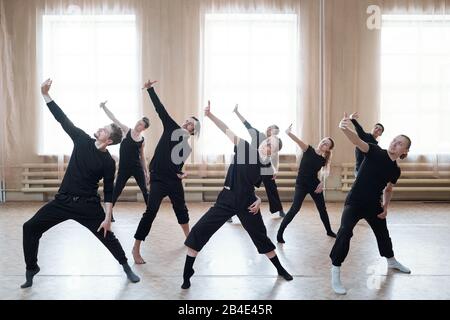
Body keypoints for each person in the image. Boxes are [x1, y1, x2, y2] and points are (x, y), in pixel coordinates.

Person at [21, 79, 140, 288]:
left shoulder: (108, 162)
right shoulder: (81, 139)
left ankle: (125, 266)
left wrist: (107, 218)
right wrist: (45, 95)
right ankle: (32, 267)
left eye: (105, 129)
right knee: (30, 228)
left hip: (87, 206)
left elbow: (109, 192)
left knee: (107, 235)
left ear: (109, 140)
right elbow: (62, 119)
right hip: (63, 201)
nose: (101, 129)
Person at [181, 101, 293, 290]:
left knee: (261, 237)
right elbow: (227, 130)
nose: (267, 145)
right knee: (199, 231)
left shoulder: (266, 167)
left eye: (272, 146)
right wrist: (210, 115)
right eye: (267, 142)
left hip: (247, 203)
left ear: (274, 152)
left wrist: (258, 200)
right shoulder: (245, 148)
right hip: (226, 199)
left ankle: (280, 269)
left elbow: (255, 187)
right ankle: (187, 274)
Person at [330, 112, 411, 295]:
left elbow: (388, 189)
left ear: (404, 152)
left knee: (383, 233)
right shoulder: (374, 151)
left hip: (373, 204)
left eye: (400, 143)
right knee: (344, 233)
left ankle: (391, 260)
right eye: (394, 140)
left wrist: (385, 207)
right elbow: (358, 141)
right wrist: (345, 129)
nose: (394, 143)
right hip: (355, 201)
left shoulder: (395, 171)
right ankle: (335, 268)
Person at [132, 80, 201, 264]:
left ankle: (189, 239)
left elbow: (176, 168)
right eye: (187, 120)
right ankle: (136, 248)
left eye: (191, 124)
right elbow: (159, 109)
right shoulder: (172, 127)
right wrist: (150, 89)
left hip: (173, 181)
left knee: (181, 209)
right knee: (151, 211)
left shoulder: (187, 149)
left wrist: (181, 174)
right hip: (158, 179)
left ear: (194, 131)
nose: (187, 123)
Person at [277, 124, 337, 243]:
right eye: (323, 141)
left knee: (322, 209)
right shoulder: (308, 149)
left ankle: (329, 230)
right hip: (301, 184)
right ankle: (280, 233)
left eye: (326, 144)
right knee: (295, 209)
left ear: (328, 149)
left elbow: (325, 173)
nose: (323, 143)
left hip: (314, 185)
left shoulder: (324, 160)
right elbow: (298, 141)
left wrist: (321, 184)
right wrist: (288, 132)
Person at [229, 105, 285, 219]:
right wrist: (236, 112)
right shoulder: (257, 134)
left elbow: (275, 157)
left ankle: (279, 209)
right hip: (252, 164)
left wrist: (275, 170)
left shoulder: (274, 143)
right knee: (242, 188)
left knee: (272, 187)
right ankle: (230, 213)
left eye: (275, 131)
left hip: (265, 166)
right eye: (271, 129)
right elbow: (246, 124)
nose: (272, 132)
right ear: (268, 129)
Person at [100, 101, 150, 221]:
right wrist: (104, 107)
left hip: (137, 167)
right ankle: (109, 214)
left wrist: (146, 171)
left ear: (144, 128)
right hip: (124, 168)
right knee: (116, 190)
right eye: (138, 122)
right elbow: (114, 118)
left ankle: (150, 213)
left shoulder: (142, 140)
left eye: (141, 124)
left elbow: (142, 157)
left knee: (145, 190)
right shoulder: (126, 131)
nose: (138, 124)